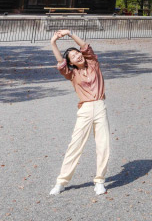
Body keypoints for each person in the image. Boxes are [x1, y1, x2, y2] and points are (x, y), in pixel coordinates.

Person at [48, 29, 112, 196]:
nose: (78, 56)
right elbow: (60, 62)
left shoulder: (93, 63)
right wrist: (53, 43)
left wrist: (70, 33)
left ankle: (99, 181)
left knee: (103, 145)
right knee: (75, 145)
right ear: (71, 62)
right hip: (84, 109)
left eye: (77, 53)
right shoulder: (71, 74)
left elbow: (85, 47)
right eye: (73, 57)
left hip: (99, 106)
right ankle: (61, 182)